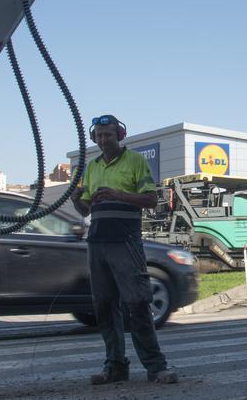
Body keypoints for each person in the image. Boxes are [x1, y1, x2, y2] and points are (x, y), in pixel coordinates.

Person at [72, 114, 178, 386]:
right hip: (98, 243)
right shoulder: (91, 167)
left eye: (109, 134)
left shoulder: (135, 162)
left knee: (137, 303)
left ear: (120, 135)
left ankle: (156, 367)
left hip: (125, 242)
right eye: (99, 135)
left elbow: (150, 199)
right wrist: (76, 199)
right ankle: (115, 366)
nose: (104, 140)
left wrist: (117, 194)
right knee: (104, 307)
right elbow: (86, 208)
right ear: (94, 138)